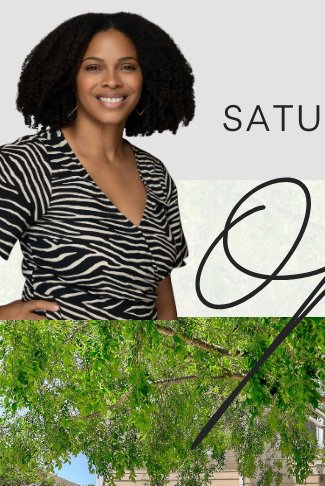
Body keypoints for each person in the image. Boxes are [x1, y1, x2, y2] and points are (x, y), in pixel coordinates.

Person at [0, 13, 194, 320]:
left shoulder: (155, 173)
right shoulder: (28, 163)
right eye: (93, 67)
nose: (112, 80)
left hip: (147, 352)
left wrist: (173, 344)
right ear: (68, 76)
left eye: (127, 67)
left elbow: (163, 298)